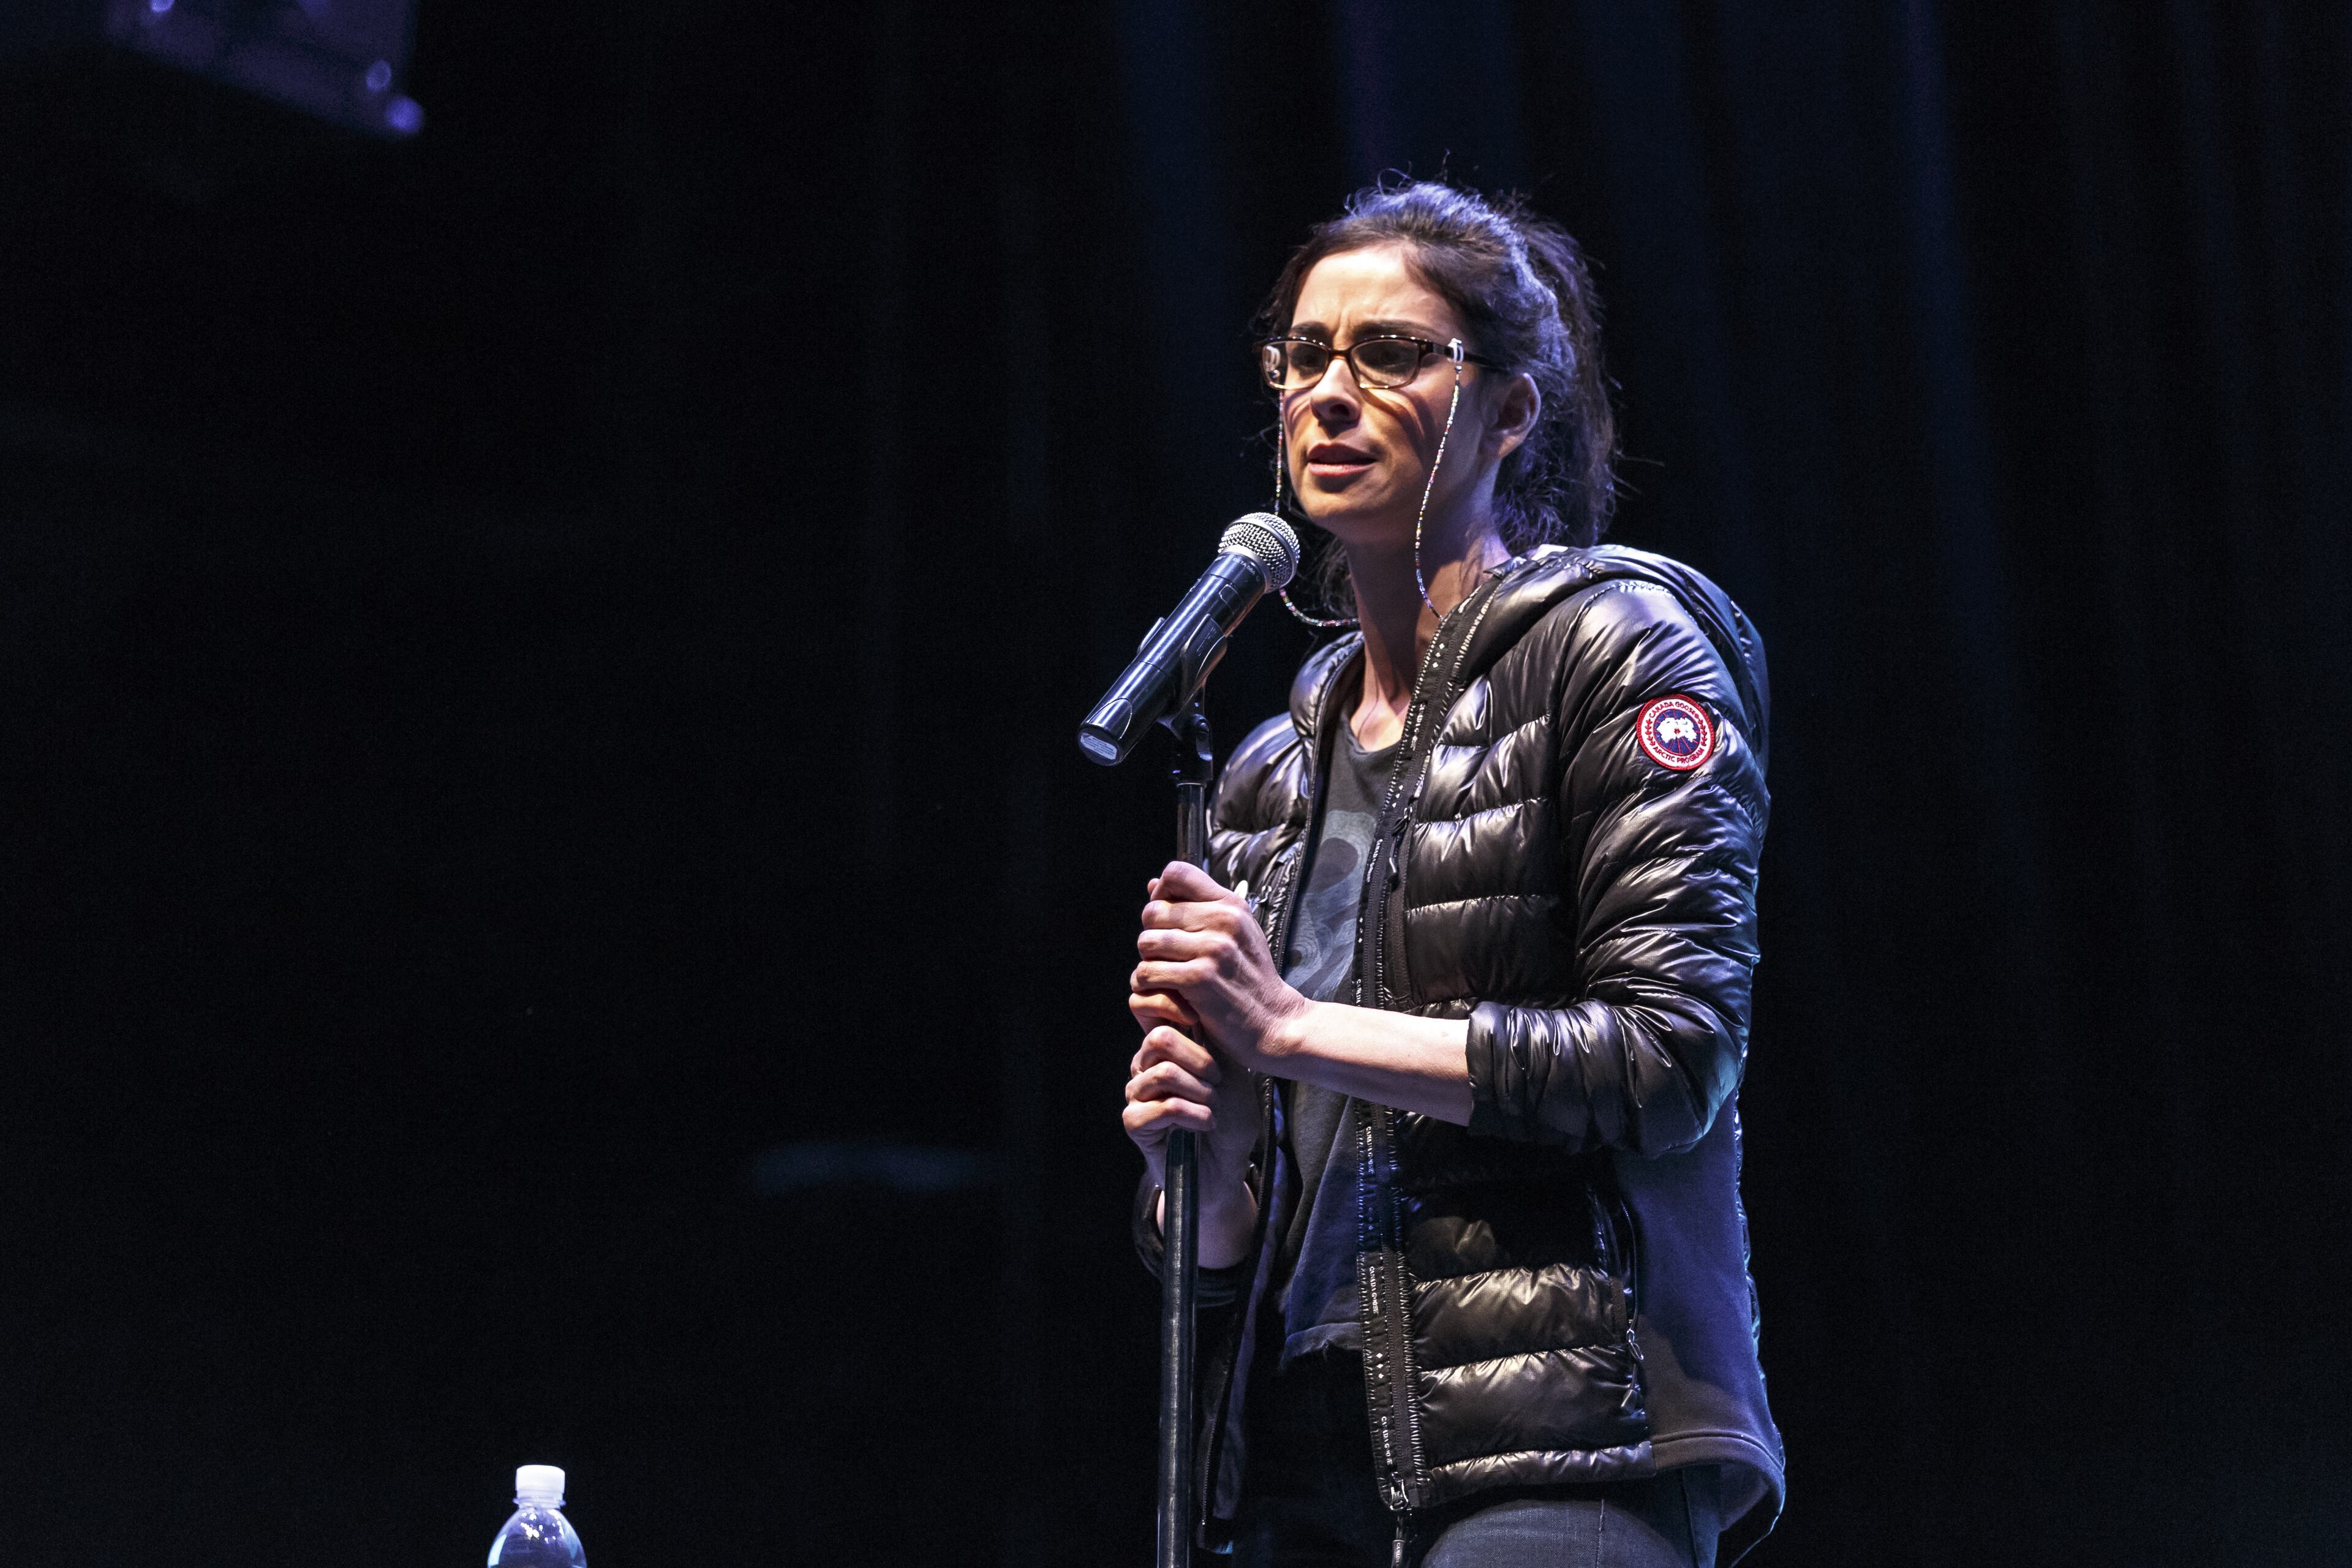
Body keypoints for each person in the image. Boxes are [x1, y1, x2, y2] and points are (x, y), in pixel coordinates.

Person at [1121, 181, 1784, 1567]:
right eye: (1305, 356)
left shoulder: (1613, 648)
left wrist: (1292, 1028)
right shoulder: (1266, 769)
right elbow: (1230, 1236)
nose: (1331, 393)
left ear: (1510, 412)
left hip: (1560, 1440)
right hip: (1301, 1451)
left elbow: (1671, 1055)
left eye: (1393, 353)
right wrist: (1215, 1154)